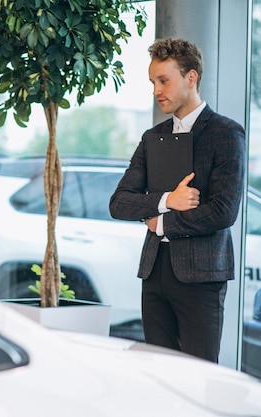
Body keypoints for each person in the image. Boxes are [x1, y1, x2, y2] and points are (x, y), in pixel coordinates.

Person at [109, 38, 245, 362]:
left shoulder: (226, 133)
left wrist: (161, 223)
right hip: (154, 275)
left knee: (199, 376)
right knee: (159, 374)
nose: (157, 90)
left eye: (164, 80)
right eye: (153, 82)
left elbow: (223, 212)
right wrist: (168, 199)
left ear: (191, 77)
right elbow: (119, 203)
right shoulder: (151, 137)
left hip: (202, 277)